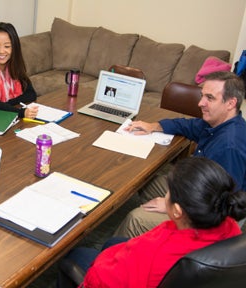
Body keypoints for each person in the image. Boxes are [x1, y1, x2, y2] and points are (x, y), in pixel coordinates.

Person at [58, 157, 246, 288]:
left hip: (125, 274)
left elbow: (98, 280)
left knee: (76, 255)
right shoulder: (230, 226)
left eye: (169, 191)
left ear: (178, 211)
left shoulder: (154, 252)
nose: (165, 195)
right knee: (111, 243)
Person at [114, 71, 246, 238]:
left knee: (136, 219)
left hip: (206, 219)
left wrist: (172, 206)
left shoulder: (229, 148)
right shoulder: (218, 123)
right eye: (202, 96)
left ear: (230, 103)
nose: (200, 103)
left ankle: (116, 258)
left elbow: (222, 208)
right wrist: (154, 126)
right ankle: (156, 244)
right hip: (195, 190)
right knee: (149, 179)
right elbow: (187, 125)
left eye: (210, 98)